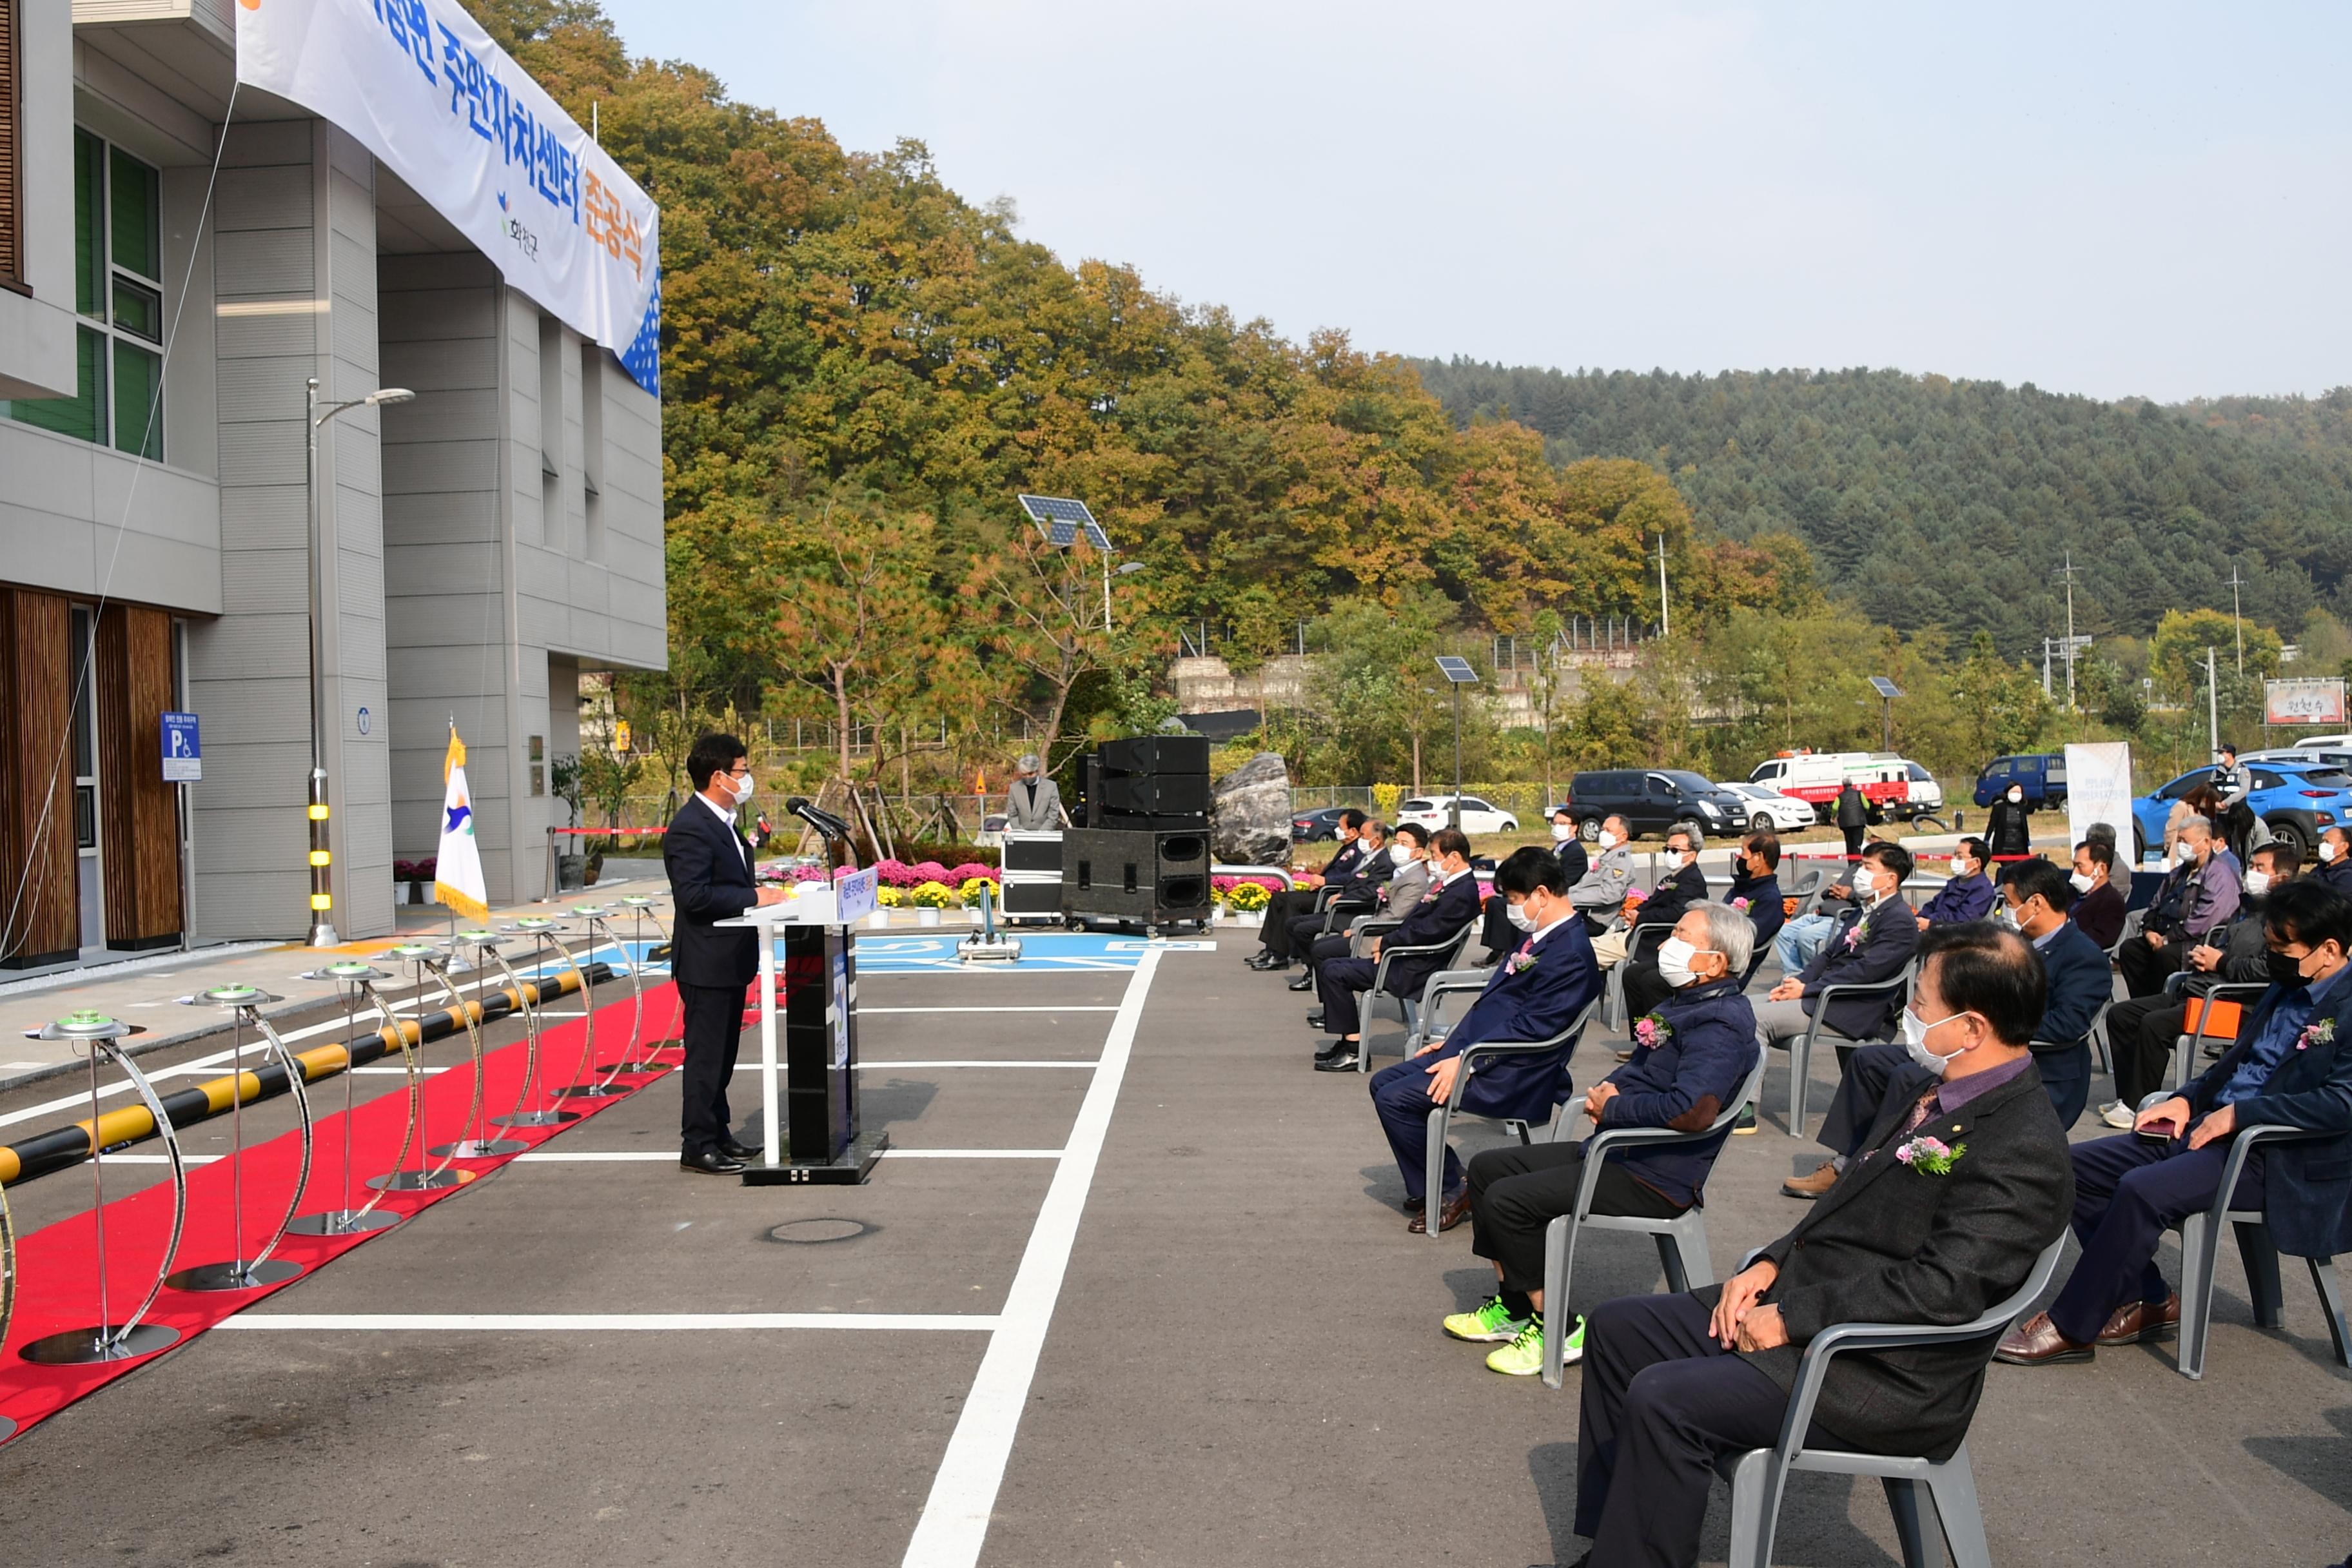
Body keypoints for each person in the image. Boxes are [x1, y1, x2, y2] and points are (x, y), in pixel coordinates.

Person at [1567, 923, 2072, 1565]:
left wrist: (1790, 1316)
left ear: (1972, 1027)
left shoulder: (2025, 1144)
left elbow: (1942, 1288)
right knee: (1618, 1329)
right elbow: (1847, 1192)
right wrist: (1774, 1259)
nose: (1909, 1012)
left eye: (1921, 1002)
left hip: (1879, 1367)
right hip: (1815, 1295)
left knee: (1665, 1397)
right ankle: (1615, 1549)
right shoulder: (1933, 1085)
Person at [1997, 877, 2352, 1366]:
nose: (2272, 958)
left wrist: (2243, 1114)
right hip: (2212, 1125)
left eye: (2281, 948)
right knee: (2073, 1168)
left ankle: (2072, 1326)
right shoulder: (2288, 987)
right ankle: (2149, 1299)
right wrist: (2186, 1098)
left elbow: (2341, 1103)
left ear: (2329, 950)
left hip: (2275, 1153)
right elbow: (2234, 1066)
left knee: (2142, 1190)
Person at [1448, 903, 1759, 1376]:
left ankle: (1559, 1326)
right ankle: (1514, 1308)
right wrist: (1606, 1092)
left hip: (1654, 1174)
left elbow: (1692, 1111)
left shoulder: (1720, 1023)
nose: (1664, 944)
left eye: (1680, 936)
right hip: (1621, 1151)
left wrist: (1612, 1108)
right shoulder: (1685, 1004)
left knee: (1511, 1202)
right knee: (1490, 1169)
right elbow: (1640, 1070)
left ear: (1715, 962)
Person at [1368, 847, 1601, 1232]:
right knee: (1383, 1084)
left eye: (1513, 899)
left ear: (1541, 894)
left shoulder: (1570, 953)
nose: (1511, 908)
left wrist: (1467, 1060)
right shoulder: (1540, 937)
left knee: (1397, 1100)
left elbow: (1535, 1029)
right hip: (1480, 1052)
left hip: (1514, 1069)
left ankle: (1448, 1188)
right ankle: (1445, 1179)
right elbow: (1495, 1007)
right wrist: (1451, 1047)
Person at [2093, 841, 2298, 1127]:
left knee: (2154, 1025)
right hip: (2197, 989)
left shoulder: (2284, 922)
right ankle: (2128, 1096)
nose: (2251, 873)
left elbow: (2268, 969)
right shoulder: (2246, 907)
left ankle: (2140, 1105)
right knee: (2121, 1015)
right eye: (2251, 866)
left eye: (2260, 868)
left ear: (2281, 878)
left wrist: (2221, 963)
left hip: (2231, 1004)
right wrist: (2204, 957)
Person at [663, 733, 787, 1175]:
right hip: (706, 960)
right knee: (706, 1056)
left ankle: (719, 1132)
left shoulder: (724, 819)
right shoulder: (690, 827)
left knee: (724, 1056)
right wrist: (755, 897)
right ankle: (697, 1144)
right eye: (741, 771)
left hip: (730, 958)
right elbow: (695, 896)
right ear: (717, 776)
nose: (747, 778)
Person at [1313, 828, 1482, 1071]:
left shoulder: (1461, 892)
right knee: (1331, 965)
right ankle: (1348, 1042)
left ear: (1453, 857)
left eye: (1434, 856)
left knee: (1334, 972)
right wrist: (1389, 941)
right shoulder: (1452, 886)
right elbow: (1420, 926)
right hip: (1406, 957)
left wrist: (1386, 942)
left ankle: (1353, 1050)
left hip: (1413, 966)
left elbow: (1428, 932)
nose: (1432, 862)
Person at [1750, 841, 1921, 1073]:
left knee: (1755, 1020)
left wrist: (1807, 990)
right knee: (1741, 1008)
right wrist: (1800, 980)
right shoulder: (1862, 910)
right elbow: (1830, 954)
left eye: (1868, 868)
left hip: (1850, 1009)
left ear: (1891, 880)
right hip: (1826, 998)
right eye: (1861, 866)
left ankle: (1746, 1104)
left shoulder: (1899, 920)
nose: (1860, 874)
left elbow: (1865, 972)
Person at [1622, 832, 1783, 1024]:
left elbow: (1744, 941)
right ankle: (1644, 1040)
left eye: (1743, 852)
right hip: (1701, 953)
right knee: (1633, 974)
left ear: (1759, 858)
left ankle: (1665, 1037)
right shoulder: (1743, 887)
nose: (1740, 858)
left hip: (1722, 967)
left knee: (1653, 981)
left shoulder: (1769, 899)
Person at [1288, 823, 1426, 992]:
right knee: (1318, 945)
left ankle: (1335, 1011)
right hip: (1368, 926)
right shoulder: (1400, 872)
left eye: (1404, 844)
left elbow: (1393, 916)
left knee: (1322, 951)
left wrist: (1356, 929)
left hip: (1378, 937)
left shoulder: (1414, 880)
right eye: (1396, 842)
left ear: (1419, 852)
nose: (1397, 847)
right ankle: (1332, 1009)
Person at [2117, 818, 2240, 999]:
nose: (2181, 845)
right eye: (2180, 840)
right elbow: (2156, 904)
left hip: (2196, 941)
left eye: (2185, 841)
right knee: (2130, 950)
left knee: (2165, 956)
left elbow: (2204, 920)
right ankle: (2141, 1002)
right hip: (2164, 935)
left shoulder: (2220, 874)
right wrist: (2150, 930)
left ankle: (2162, 1003)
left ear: (2206, 842)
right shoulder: (2178, 873)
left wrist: (2168, 939)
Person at [1255, 819, 1393, 973]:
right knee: (1292, 922)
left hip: (1352, 911)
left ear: (1377, 840)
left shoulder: (1383, 863)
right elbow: (1353, 882)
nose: (1361, 839)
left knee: (1301, 927)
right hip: (1340, 904)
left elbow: (1370, 892)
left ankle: (1312, 970)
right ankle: (1298, 961)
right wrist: (1341, 893)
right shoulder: (1369, 857)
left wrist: (1341, 897)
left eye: (1363, 835)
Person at [1591, 827, 1707, 969]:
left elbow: (1677, 912)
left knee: (1580, 953)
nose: (1670, 854)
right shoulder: (1671, 877)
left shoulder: (1692, 880)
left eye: (1675, 850)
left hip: (1648, 939)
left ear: (1692, 855)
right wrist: (1633, 913)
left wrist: (1640, 917)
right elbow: (1653, 901)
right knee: (1581, 947)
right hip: (1633, 933)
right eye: (1667, 849)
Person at [1481, 805, 1588, 958]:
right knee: (1497, 902)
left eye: (1563, 824)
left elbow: (1563, 881)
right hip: (1536, 891)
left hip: (1551, 897)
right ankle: (1500, 949)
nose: (1557, 827)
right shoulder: (1557, 850)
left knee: (1513, 907)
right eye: (1555, 823)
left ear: (1574, 827)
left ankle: (1509, 951)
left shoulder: (1576, 852)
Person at [1566, 815, 1636, 936]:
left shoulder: (1621, 861)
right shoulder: (1609, 856)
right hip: (1581, 911)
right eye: (1603, 830)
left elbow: (1610, 894)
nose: (1603, 834)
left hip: (1594, 920)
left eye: (1609, 831)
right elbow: (1586, 885)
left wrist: (1571, 899)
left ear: (1623, 837)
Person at [1913, 837, 1996, 929]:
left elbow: (1963, 919)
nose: (1954, 860)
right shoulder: (1954, 883)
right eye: (1954, 855)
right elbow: (1933, 905)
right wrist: (1919, 918)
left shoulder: (1983, 890)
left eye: (1960, 857)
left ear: (1976, 862)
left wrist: (1931, 923)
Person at [2070, 837, 2129, 950]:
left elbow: (2100, 939)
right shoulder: (2071, 892)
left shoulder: (2112, 902)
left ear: (2101, 869)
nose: (2075, 872)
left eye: (2080, 866)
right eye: (2074, 866)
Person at [1001, 752, 1069, 831]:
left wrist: (1042, 833)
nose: (1027, 777)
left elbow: (1053, 814)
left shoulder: (1051, 787)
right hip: (1022, 836)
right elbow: (1012, 814)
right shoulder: (1014, 789)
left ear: (1037, 771)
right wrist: (1020, 831)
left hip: (1045, 835)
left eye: (1030, 774)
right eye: (1024, 774)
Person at [2163, 782, 2222, 862]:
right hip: (2181, 855)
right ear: (2204, 798)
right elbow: (2171, 831)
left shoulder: (2201, 811)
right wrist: (2173, 849)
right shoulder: (2182, 807)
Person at [1984, 781, 2033, 860]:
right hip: (2003, 847)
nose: (2016, 794)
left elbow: (2024, 826)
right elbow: (1992, 825)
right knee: (2008, 869)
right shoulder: (1999, 807)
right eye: (2014, 792)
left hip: (2020, 848)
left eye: (2018, 792)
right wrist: (1986, 840)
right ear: (2007, 792)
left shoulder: (2022, 808)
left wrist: (2028, 842)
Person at [1834, 778, 1868, 860]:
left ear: (1843, 785)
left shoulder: (1840, 796)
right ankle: (1857, 862)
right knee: (1857, 844)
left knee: (1849, 843)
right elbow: (1867, 806)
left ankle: (1851, 863)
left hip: (1846, 823)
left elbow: (1835, 808)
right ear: (1852, 784)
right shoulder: (1859, 794)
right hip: (1859, 822)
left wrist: (1833, 817)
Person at [2319, 827, 2352, 896]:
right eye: (2322, 842)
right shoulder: (2320, 868)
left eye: (2328, 842)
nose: (2323, 845)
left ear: (2344, 847)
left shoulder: (2348, 876)